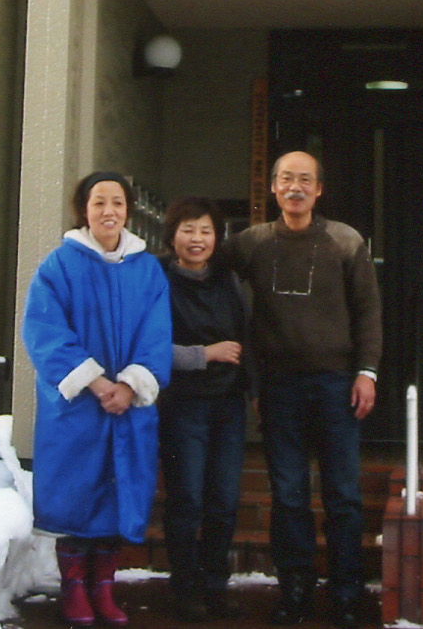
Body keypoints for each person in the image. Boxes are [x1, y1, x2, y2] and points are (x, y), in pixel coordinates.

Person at [226, 151, 382, 629]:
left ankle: (346, 592)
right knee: (289, 493)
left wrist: (367, 372)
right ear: (273, 187)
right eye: (287, 179)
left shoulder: (344, 241)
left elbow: (368, 312)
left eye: (305, 180)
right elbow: (200, 265)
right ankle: (294, 589)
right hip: (279, 387)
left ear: (319, 190)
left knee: (342, 494)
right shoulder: (252, 243)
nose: (295, 187)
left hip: (337, 384)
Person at [21, 172, 173, 627]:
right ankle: (74, 589)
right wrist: (95, 382)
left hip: (128, 406)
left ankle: (104, 589)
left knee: (116, 496)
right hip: (77, 409)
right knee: (76, 496)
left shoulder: (148, 270)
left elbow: (157, 334)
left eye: (118, 203)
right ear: (83, 210)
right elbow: (44, 331)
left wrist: (130, 385)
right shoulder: (59, 266)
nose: (109, 211)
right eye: (99, 202)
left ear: (128, 210)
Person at [157, 197, 253, 622]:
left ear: (218, 237)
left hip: (228, 404)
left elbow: (247, 335)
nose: (197, 239)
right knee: (187, 498)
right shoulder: (158, 279)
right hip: (183, 404)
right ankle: (184, 587)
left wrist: (252, 390)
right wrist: (205, 353)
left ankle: (215, 584)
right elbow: (149, 347)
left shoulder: (228, 279)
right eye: (188, 230)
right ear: (172, 235)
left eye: (206, 231)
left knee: (224, 499)